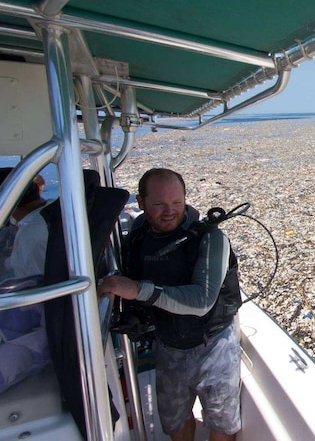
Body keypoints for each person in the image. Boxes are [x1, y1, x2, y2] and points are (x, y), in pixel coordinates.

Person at [98, 168, 242, 441]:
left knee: (222, 423)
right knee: (173, 421)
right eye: (159, 204)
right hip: (167, 344)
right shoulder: (138, 237)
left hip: (214, 345)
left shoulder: (211, 238)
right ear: (140, 202)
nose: (169, 211)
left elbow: (202, 300)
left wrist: (137, 290)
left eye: (177, 203)